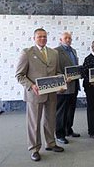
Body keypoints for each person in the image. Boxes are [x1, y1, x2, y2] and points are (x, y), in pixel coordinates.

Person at [15, 28, 64, 162]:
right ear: (34, 38)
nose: (42, 39)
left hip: (51, 93)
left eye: (44, 36)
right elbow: (19, 75)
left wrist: (61, 83)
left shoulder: (54, 53)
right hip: (34, 94)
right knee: (34, 123)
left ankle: (51, 143)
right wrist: (31, 85)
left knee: (50, 120)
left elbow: (58, 72)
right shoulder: (27, 53)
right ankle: (34, 149)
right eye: (39, 36)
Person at [54, 31, 82, 144]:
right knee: (61, 112)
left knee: (71, 110)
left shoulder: (73, 50)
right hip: (63, 86)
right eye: (65, 38)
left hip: (74, 85)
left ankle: (68, 130)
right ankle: (59, 134)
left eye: (69, 38)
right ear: (60, 40)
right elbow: (55, 69)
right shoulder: (56, 51)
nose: (68, 40)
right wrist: (63, 78)